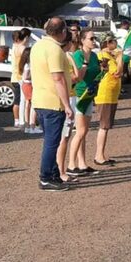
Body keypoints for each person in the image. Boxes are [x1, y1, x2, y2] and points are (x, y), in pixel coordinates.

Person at [30, 17, 74, 192]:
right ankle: (46, 177)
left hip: (40, 100)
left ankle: (54, 174)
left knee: (51, 140)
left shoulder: (37, 46)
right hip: (53, 102)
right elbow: (58, 79)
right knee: (51, 142)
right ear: (62, 31)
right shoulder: (54, 49)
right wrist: (67, 105)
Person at [67, 28, 101, 177]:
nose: (94, 41)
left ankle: (82, 164)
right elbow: (78, 76)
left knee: (84, 131)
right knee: (80, 131)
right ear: (82, 40)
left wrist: (103, 70)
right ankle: (71, 164)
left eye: (94, 38)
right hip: (79, 94)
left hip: (89, 94)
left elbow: (97, 73)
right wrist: (85, 63)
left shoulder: (94, 55)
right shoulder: (78, 55)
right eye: (91, 38)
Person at [94, 33, 123, 166]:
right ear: (108, 42)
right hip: (105, 93)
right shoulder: (103, 55)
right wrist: (120, 57)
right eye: (114, 41)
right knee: (104, 125)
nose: (116, 44)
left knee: (107, 126)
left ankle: (101, 154)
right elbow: (118, 72)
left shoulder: (111, 55)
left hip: (111, 94)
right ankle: (99, 155)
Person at [56, 31, 82, 183]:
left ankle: (61, 170)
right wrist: (72, 59)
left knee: (65, 136)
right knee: (64, 137)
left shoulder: (63, 56)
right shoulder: (64, 57)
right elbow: (75, 77)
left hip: (70, 96)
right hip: (67, 97)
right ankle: (61, 171)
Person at [10, 28, 31, 128]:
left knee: (18, 100)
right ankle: (23, 121)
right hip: (21, 77)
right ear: (26, 37)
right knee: (23, 100)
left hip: (15, 76)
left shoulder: (15, 47)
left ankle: (18, 120)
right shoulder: (23, 48)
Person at [18, 47, 40, 134]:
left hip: (25, 85)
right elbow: (26, 76)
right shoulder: (29, 65)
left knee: (27, 105)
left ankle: (27, 126)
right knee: (33, 105)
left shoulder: (24, 64)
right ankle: (32, 126)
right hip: (29, 84)